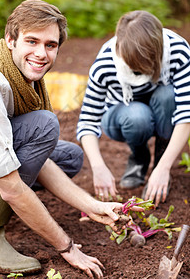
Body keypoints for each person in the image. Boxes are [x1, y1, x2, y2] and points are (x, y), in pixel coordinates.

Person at [0, 0, 143, 279]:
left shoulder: (16, 74)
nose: (42, 53)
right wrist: (67, 246)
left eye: (51, 45)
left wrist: (93, 207)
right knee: (43, 127)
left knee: (68, 157)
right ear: (10, 40)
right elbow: (12, 187)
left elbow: (36, 156)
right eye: (32, 41)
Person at [77, 10, 190, 207]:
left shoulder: (177, 50)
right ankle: (139, 157)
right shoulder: (105, 64)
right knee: (138, 115)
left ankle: (160, 161)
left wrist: (164, 168)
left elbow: (186, 113)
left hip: (163, 108)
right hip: (122, 115)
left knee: (168, 96)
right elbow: (88, 121)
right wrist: (98, 167)